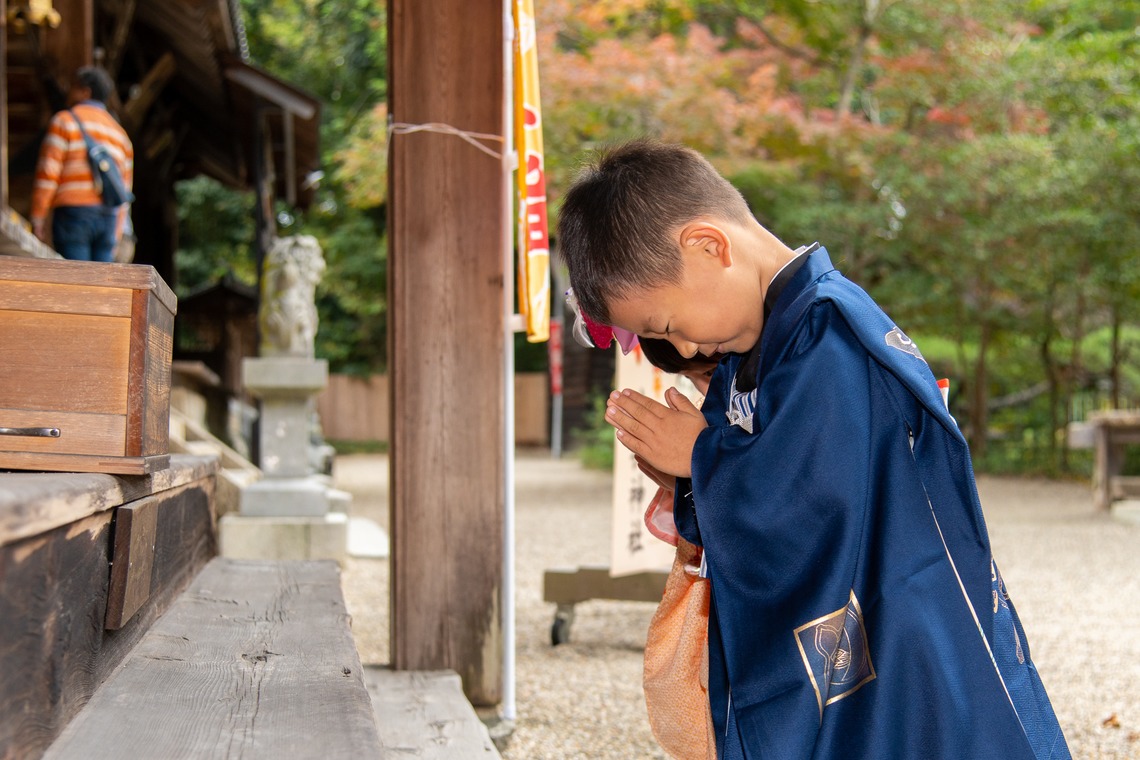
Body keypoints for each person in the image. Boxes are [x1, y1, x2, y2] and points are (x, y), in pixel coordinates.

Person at [557, 138, 1069, 759]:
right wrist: (690, 475)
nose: (685, 350)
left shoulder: (828, 331)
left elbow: (821, 498)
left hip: (899, 641)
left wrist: (702, 458)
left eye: (667, 325)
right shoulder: (761, 348)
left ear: (708, 245)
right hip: (855, 645)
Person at [31, 66, 134, 262]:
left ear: (86, 91)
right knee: (99, 287)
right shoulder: (120, 135)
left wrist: (38, 216)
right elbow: (124, 190)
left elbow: (48, 173)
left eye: (73, 87)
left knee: (76, 283)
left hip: (74, 215)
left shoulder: (64, 121)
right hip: (108, 219)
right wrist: (117, 232)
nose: (69, 92)